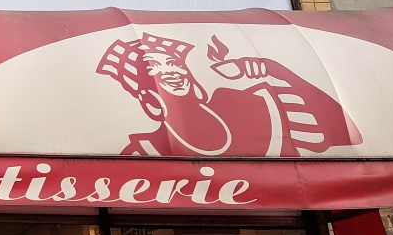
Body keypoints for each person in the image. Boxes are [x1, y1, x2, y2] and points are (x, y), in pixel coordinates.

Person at [96, 33, 362, 157]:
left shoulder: (251, 105)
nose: (172, 72)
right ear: (148, 100)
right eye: (155, 70)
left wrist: (275, 69)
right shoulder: (140, 153)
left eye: (174, 63)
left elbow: (347, 135)